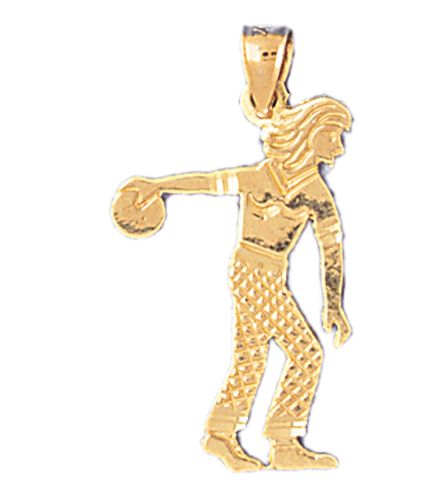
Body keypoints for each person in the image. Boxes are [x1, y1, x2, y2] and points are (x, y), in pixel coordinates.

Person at [118, 96, 352, 471]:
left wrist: (334, 304)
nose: (339, 148)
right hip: (251, 273)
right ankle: (283, 441)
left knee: (251, 357)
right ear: (310, 134)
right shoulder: (261, 177)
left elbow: (332, 252)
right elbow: (207, 182)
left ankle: (220, 435)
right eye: (333, 135)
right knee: (307, 352)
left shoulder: (317, 194)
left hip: (268, 274)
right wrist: (158, 185)